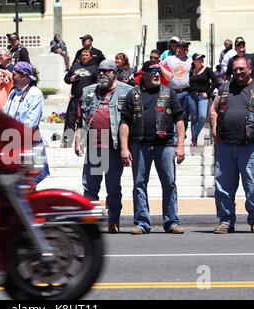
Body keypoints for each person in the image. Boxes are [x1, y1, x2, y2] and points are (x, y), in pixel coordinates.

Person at [209, 56, 254, 234]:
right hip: (225, 146)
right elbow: (213, 111)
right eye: (235, 69)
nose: (238, 72)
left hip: (252, 147)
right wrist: (215, 130)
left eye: (241, 69)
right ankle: (225, 221)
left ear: (249, 69)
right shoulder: (223, 89)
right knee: (223, 187)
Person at [120, 61, 185, 235]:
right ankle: (142, 223)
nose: (157, 74)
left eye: (159, 72)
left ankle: (172, 222)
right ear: (144, 74)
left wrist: (180, 145)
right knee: (139, 183)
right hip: (140, 145)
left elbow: (179, 119)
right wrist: (124, 148)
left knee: (169, 183)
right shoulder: (132, 94)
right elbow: (125, 122)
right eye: (153, 72)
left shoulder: (168, 92)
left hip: (165, 146)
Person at [75, 60, 132, 233]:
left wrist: (127, 147)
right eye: (100, 71)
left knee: (113, 186)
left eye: (106, 71)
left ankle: (113, 221)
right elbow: (80, 119)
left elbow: (132, 120)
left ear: (114, 72)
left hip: (114, 144)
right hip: (93, 141)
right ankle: (90, 223)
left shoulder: (127, 91)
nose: (101, 74)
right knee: (90, 187)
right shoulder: (88, 91)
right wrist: (78, 140)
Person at [3, 62, 49, 184]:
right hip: (12, 144)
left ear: (23, 76)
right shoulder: (13, 93)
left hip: (28, 145)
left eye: (14, 74)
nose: (11, 77)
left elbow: (31, 123)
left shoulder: (35, 93)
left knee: (28, 185)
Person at [63, 49, 99, 147]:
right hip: (75, 98)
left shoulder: (95, 68)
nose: (84, 57)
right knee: (70, 120)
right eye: (83, 55)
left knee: (87, 120)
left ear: (91, 56)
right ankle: (67, 141)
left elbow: (98, 83)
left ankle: (86, 142)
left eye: (86, 55)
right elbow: (66, 79)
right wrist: (70, 79)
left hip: (89, 100)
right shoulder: (75, 66)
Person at [187, 53, 218, 146]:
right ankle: (194, 141)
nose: (201, 60)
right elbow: (190, 83)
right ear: (194, 61)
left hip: (202, 96)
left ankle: (195, 136)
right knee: (194, 119)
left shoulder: (207, 70)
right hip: (192, 96)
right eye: (199, 58)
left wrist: (208, 93)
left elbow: (215, 82)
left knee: (202, 117)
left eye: (202, 58)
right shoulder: (192, 70)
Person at [162, 40, 193, 133]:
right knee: (172, 115)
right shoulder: (169, 59)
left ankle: (181, 135)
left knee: (184, 116)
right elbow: (161, 69)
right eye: (184, 47)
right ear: (178, 49)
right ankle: (175, 136)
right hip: (172, 92)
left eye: (187, 47)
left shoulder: (191, 60)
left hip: (186, 92)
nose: (187, 49)